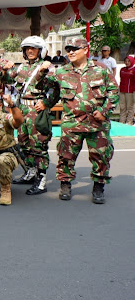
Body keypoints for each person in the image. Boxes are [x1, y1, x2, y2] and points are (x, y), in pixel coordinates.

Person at [43, 38, 118, 204]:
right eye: (68, 49)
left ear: (85, 49)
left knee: (101, 156)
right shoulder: (61, 72)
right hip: (71, 123)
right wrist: (45, 101)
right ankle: (65, 184)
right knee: (65, 156)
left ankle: (99, 186)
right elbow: (51, 91)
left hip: (97, 123)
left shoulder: (101, 69)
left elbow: (113, 92)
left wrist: (104, 112)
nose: (70, 52)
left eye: (75, 48)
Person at [2, 36, 55, 193]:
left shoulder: (46, 67)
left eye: (34, 48)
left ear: (41, 51)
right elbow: (7, 80)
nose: (30, 51)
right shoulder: (21, 68)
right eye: (27, 49)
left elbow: (55, 89)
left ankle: (41, 179)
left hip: (36, 111)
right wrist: (6, 69)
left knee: (38, 145)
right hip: (22, 109)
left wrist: (46, 102)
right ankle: (31, 172)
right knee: (23, 143)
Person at [118, 55, 135, 124]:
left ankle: (129, 121)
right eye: (126, 61)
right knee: (122, 107)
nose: (127, 62)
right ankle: (122, 121)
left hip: (130, 91)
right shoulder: (122, 69)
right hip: (122, 90)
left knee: (130, 107)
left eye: (129, 61)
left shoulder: (134, 70)